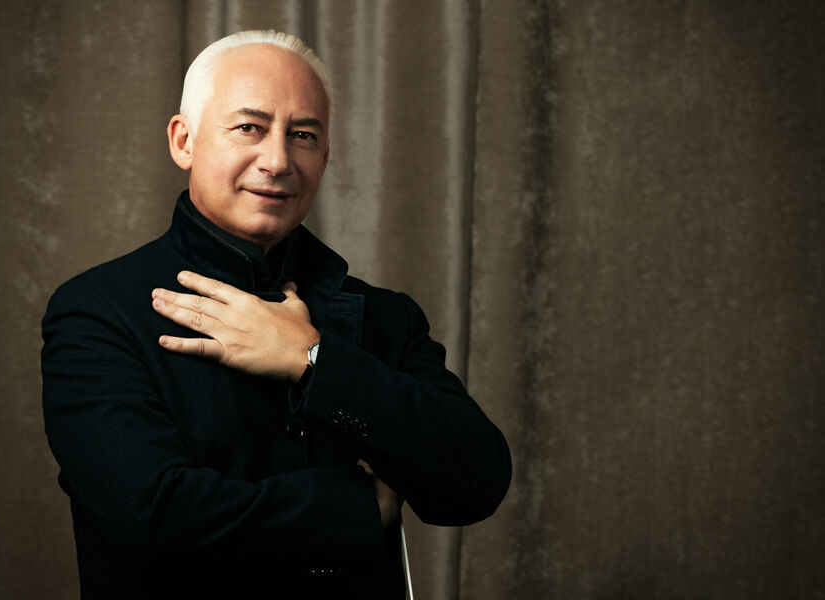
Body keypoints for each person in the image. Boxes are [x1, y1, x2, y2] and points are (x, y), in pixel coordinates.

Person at [41, 30, 511, 598]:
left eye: (303, 135)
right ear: (184, 141)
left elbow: (478, 482)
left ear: (325, 157)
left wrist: (313, 360)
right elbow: (154, 521)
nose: (278, 160)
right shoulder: (99, 311)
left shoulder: (386, 316)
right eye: (249, 128)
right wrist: (360, 507)